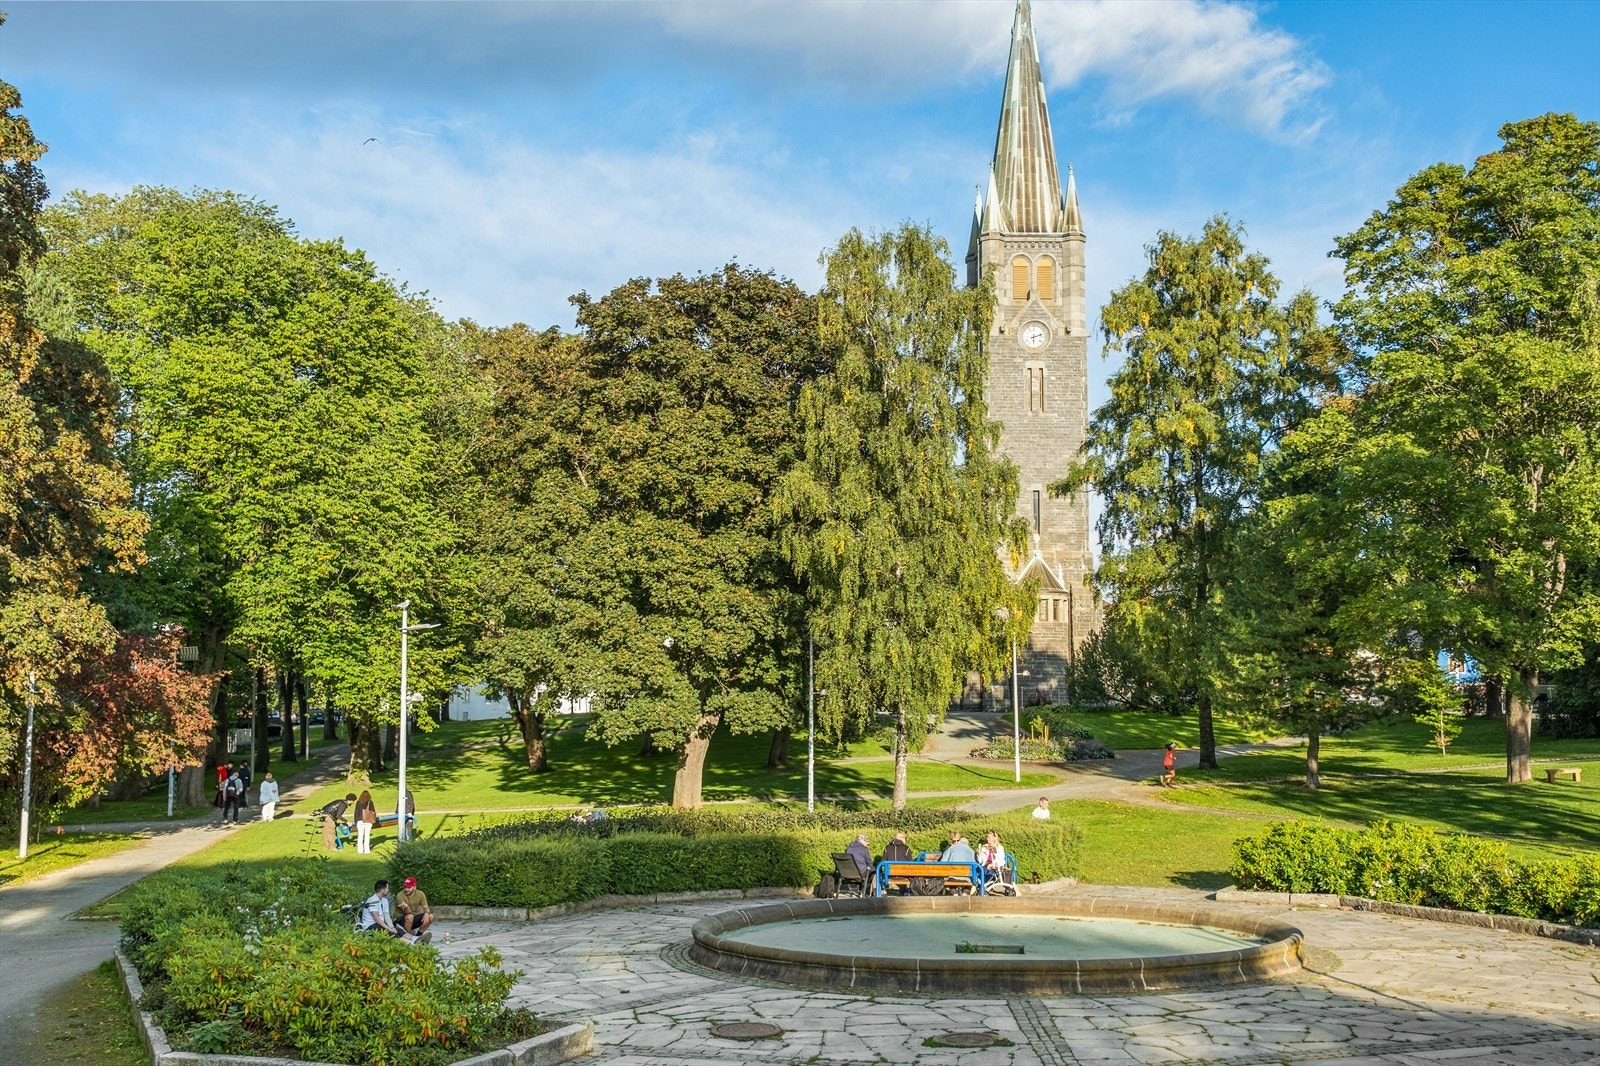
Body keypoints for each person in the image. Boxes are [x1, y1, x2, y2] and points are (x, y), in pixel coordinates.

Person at [359, 879, 430, 945]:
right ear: (382, 890)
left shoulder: (384, 900)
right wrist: (389, 929)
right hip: (371, 926)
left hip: (380, 924)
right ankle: (412, 944)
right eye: (387, 888)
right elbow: (377, 919)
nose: (388, 890)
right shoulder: (372, 901)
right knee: (391, 933)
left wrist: (392, 927)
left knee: (397, 930)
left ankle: (415, 938)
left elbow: (387, 917)